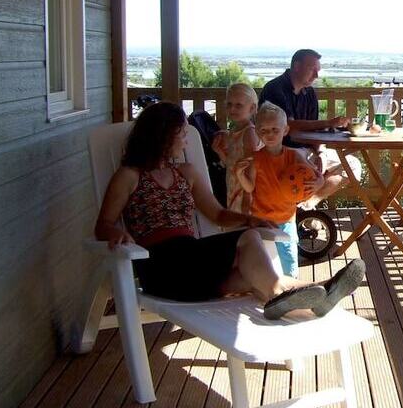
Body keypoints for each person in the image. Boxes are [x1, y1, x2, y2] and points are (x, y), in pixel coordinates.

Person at [94, 101, 365, 320]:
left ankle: (321, 291)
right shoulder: (129, 176)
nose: (186, 141)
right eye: (182, 134)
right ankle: (312, 291)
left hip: (194, 268)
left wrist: (251, 219)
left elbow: (218, 214)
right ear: (163, 136)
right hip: (160, 267)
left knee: (253, 277)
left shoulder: (186, 173)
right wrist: (116, 234)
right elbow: (103, 225)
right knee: (249, 242)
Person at [258, 49, 362, 208]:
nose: (316, 75)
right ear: (296, 66)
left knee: (353, 166)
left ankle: (306, 206)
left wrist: (320, 152)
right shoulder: (275, 89)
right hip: (281, 151)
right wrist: (328, 123)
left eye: (318, 71)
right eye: (312, 69)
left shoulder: (309, 93)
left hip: (308, 151)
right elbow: (289, 126)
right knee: (311, 171)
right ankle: (298, 208)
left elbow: (314, 131)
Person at [236, 102, 323, 278]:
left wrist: (318, 184)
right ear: (258, 132)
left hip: (286, 220)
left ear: (285, 130)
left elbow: (317, 175)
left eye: (275, 130)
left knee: (288, 263)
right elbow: (250, 187)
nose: (270, 134)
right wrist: (240, 174)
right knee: (265, 264)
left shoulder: (294, 156)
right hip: (261, 220)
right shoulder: (256, 159)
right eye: (264, 130)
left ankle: (292, 287)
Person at [212, 83, 261, 214]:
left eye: (238, 105)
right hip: (234, 187)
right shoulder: (234, 131)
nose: (232, 109)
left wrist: (247, 198)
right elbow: (232, 163)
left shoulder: (249, 133)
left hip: (243, 191)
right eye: (229, 104)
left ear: (252, 108)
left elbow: (252, 168)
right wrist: (220, 152)